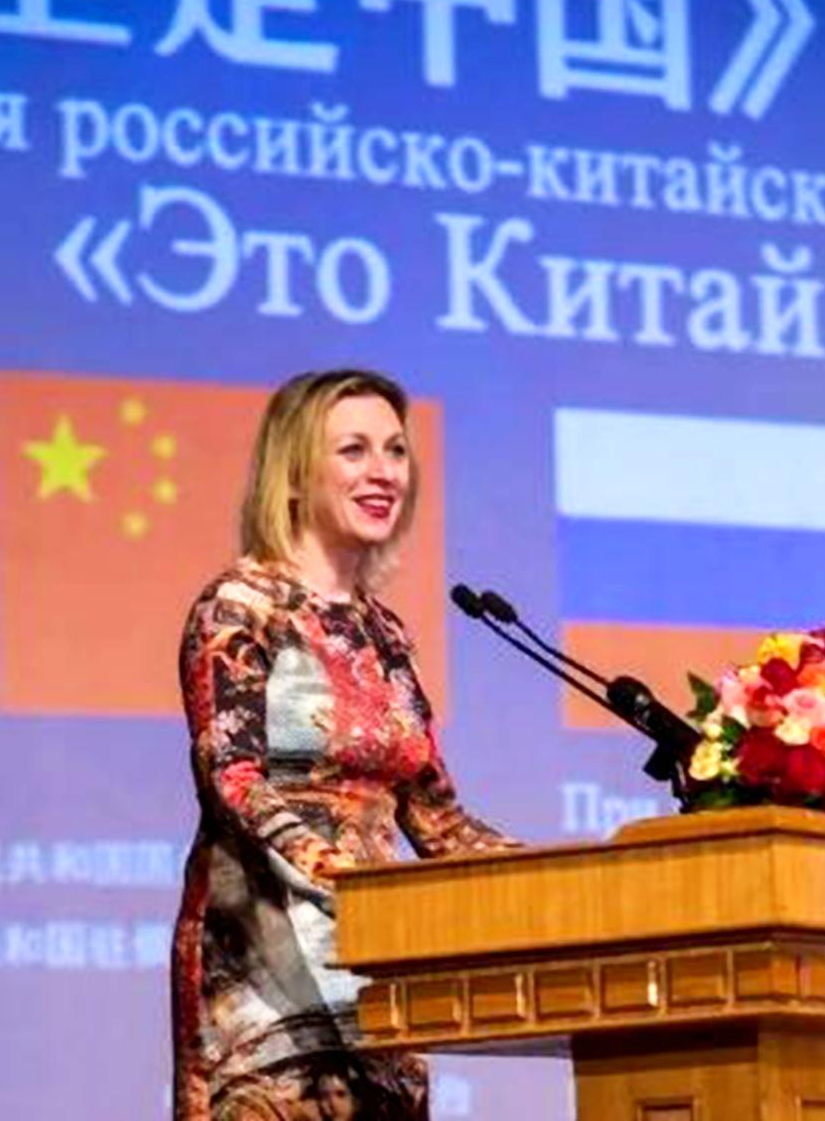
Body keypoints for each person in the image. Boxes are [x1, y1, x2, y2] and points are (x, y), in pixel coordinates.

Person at [172, 370, 518, 1121]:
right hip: (266, 976)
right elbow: (234, 779)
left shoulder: (381, 632)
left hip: (373, 967)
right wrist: (350, 883)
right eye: (354, 450)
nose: (383, 471)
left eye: (395, 450)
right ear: (295, 474)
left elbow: (436, 816)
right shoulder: (240, 608)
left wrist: (555, 881)